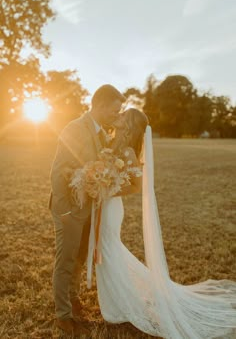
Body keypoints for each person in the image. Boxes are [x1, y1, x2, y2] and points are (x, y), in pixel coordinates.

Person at [94, 108, 236, 339]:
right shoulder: (112, 144)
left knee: (108, 249)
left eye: (123, 116)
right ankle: (117, 299)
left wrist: (108, 190)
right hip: (103, 204)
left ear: (129, 125)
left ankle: (121, 303)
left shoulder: (128, 151)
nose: (118, 116)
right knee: (108, 250)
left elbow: (136, 186)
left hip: (111, 206)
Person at [49, 84, 125, 335]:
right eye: (115, 110)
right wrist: (64, 211)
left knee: (80, 257)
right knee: (66, 260)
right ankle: (63, 315)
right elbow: (58, 171)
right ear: (100, 105)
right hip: (69, 209)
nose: (118, 114)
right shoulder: (74, 128)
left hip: (90, 209)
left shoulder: (104, 132)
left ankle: (73, 297)